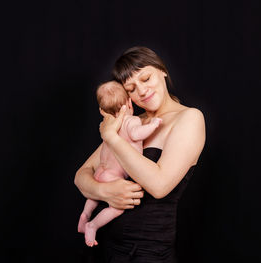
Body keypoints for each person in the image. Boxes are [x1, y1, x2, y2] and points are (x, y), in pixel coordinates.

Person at [74, 46, 206, 262]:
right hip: (106, 247)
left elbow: (159, 185)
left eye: (146, 78)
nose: (142, 91)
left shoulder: (189, 118)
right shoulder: (130, 123)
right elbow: (81, 175)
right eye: (132, 88)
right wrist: (103, 190)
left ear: (162, 70)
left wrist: (112, 137)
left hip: (147, 253)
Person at [78, 81, 162, 247]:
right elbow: (138, 134)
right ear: (129, 103)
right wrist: (153, 125)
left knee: (93, 197)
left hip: (100, 172)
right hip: (112, 176)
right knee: (117, 208)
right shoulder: (131, 121)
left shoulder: (108, 126)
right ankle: (92, 224)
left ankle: (85, 215)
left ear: (103, 110)